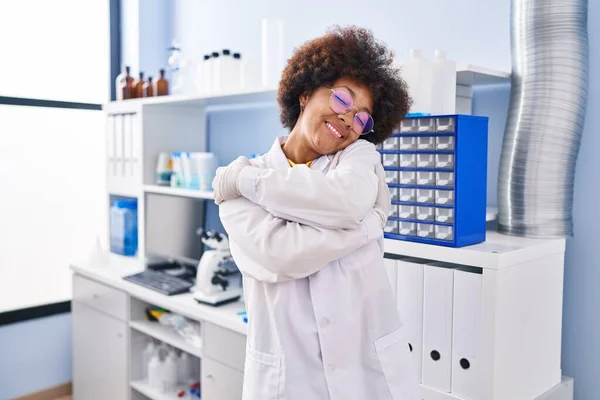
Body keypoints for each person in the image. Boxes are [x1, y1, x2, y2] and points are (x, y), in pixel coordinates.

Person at [212, 25, 414, 400]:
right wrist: (371, 225)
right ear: (305, 93)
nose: (348, 119)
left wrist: (249, 183)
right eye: (341, 100)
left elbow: (346, 202)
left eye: (362, 118)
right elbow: (283, 254)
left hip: (366, 372)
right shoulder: (235, 187)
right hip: (289, 381)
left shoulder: (358, 158)